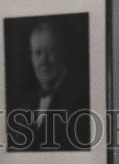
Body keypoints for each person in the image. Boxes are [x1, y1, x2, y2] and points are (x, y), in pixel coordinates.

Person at [7, 19, 90, 152]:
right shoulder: (25, 106)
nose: (43, 60)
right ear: (32, 58)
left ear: (63, 53)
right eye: (38, 53)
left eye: (50, 51)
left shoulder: (82, 103)